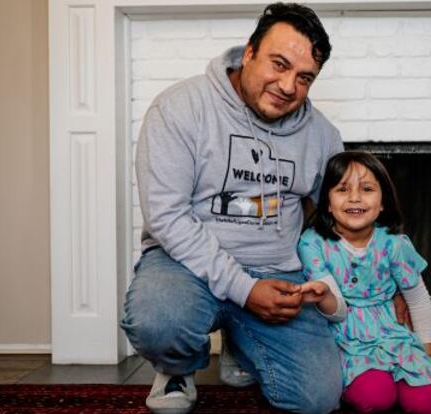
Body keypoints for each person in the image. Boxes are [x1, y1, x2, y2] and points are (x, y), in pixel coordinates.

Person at [119, 3, 345, 414]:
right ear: (248, 52)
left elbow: (334, 218)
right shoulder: (179, 108)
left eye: (304, 78)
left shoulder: (324, 136)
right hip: (186, 265)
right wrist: (244, 289)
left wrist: (380, 289)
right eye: (278, 64)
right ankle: (176, 367)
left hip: (277, 273)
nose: (288, 85)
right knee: (158, 319)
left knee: (318, 399)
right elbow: (167, 217)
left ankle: (243, 343)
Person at [297, 151, 431, 414]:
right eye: (342, 189)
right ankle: (375, 381)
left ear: (383, 201)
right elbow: (337, 311)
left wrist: (428, 356)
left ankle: (411, 373)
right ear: (327, 202)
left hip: (391, 331)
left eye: (367, 189)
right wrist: (324, 294)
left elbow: (417, 298)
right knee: (374, 397)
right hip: (346, 335)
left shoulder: (394, 243)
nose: (354, 198)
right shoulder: (313, 243)